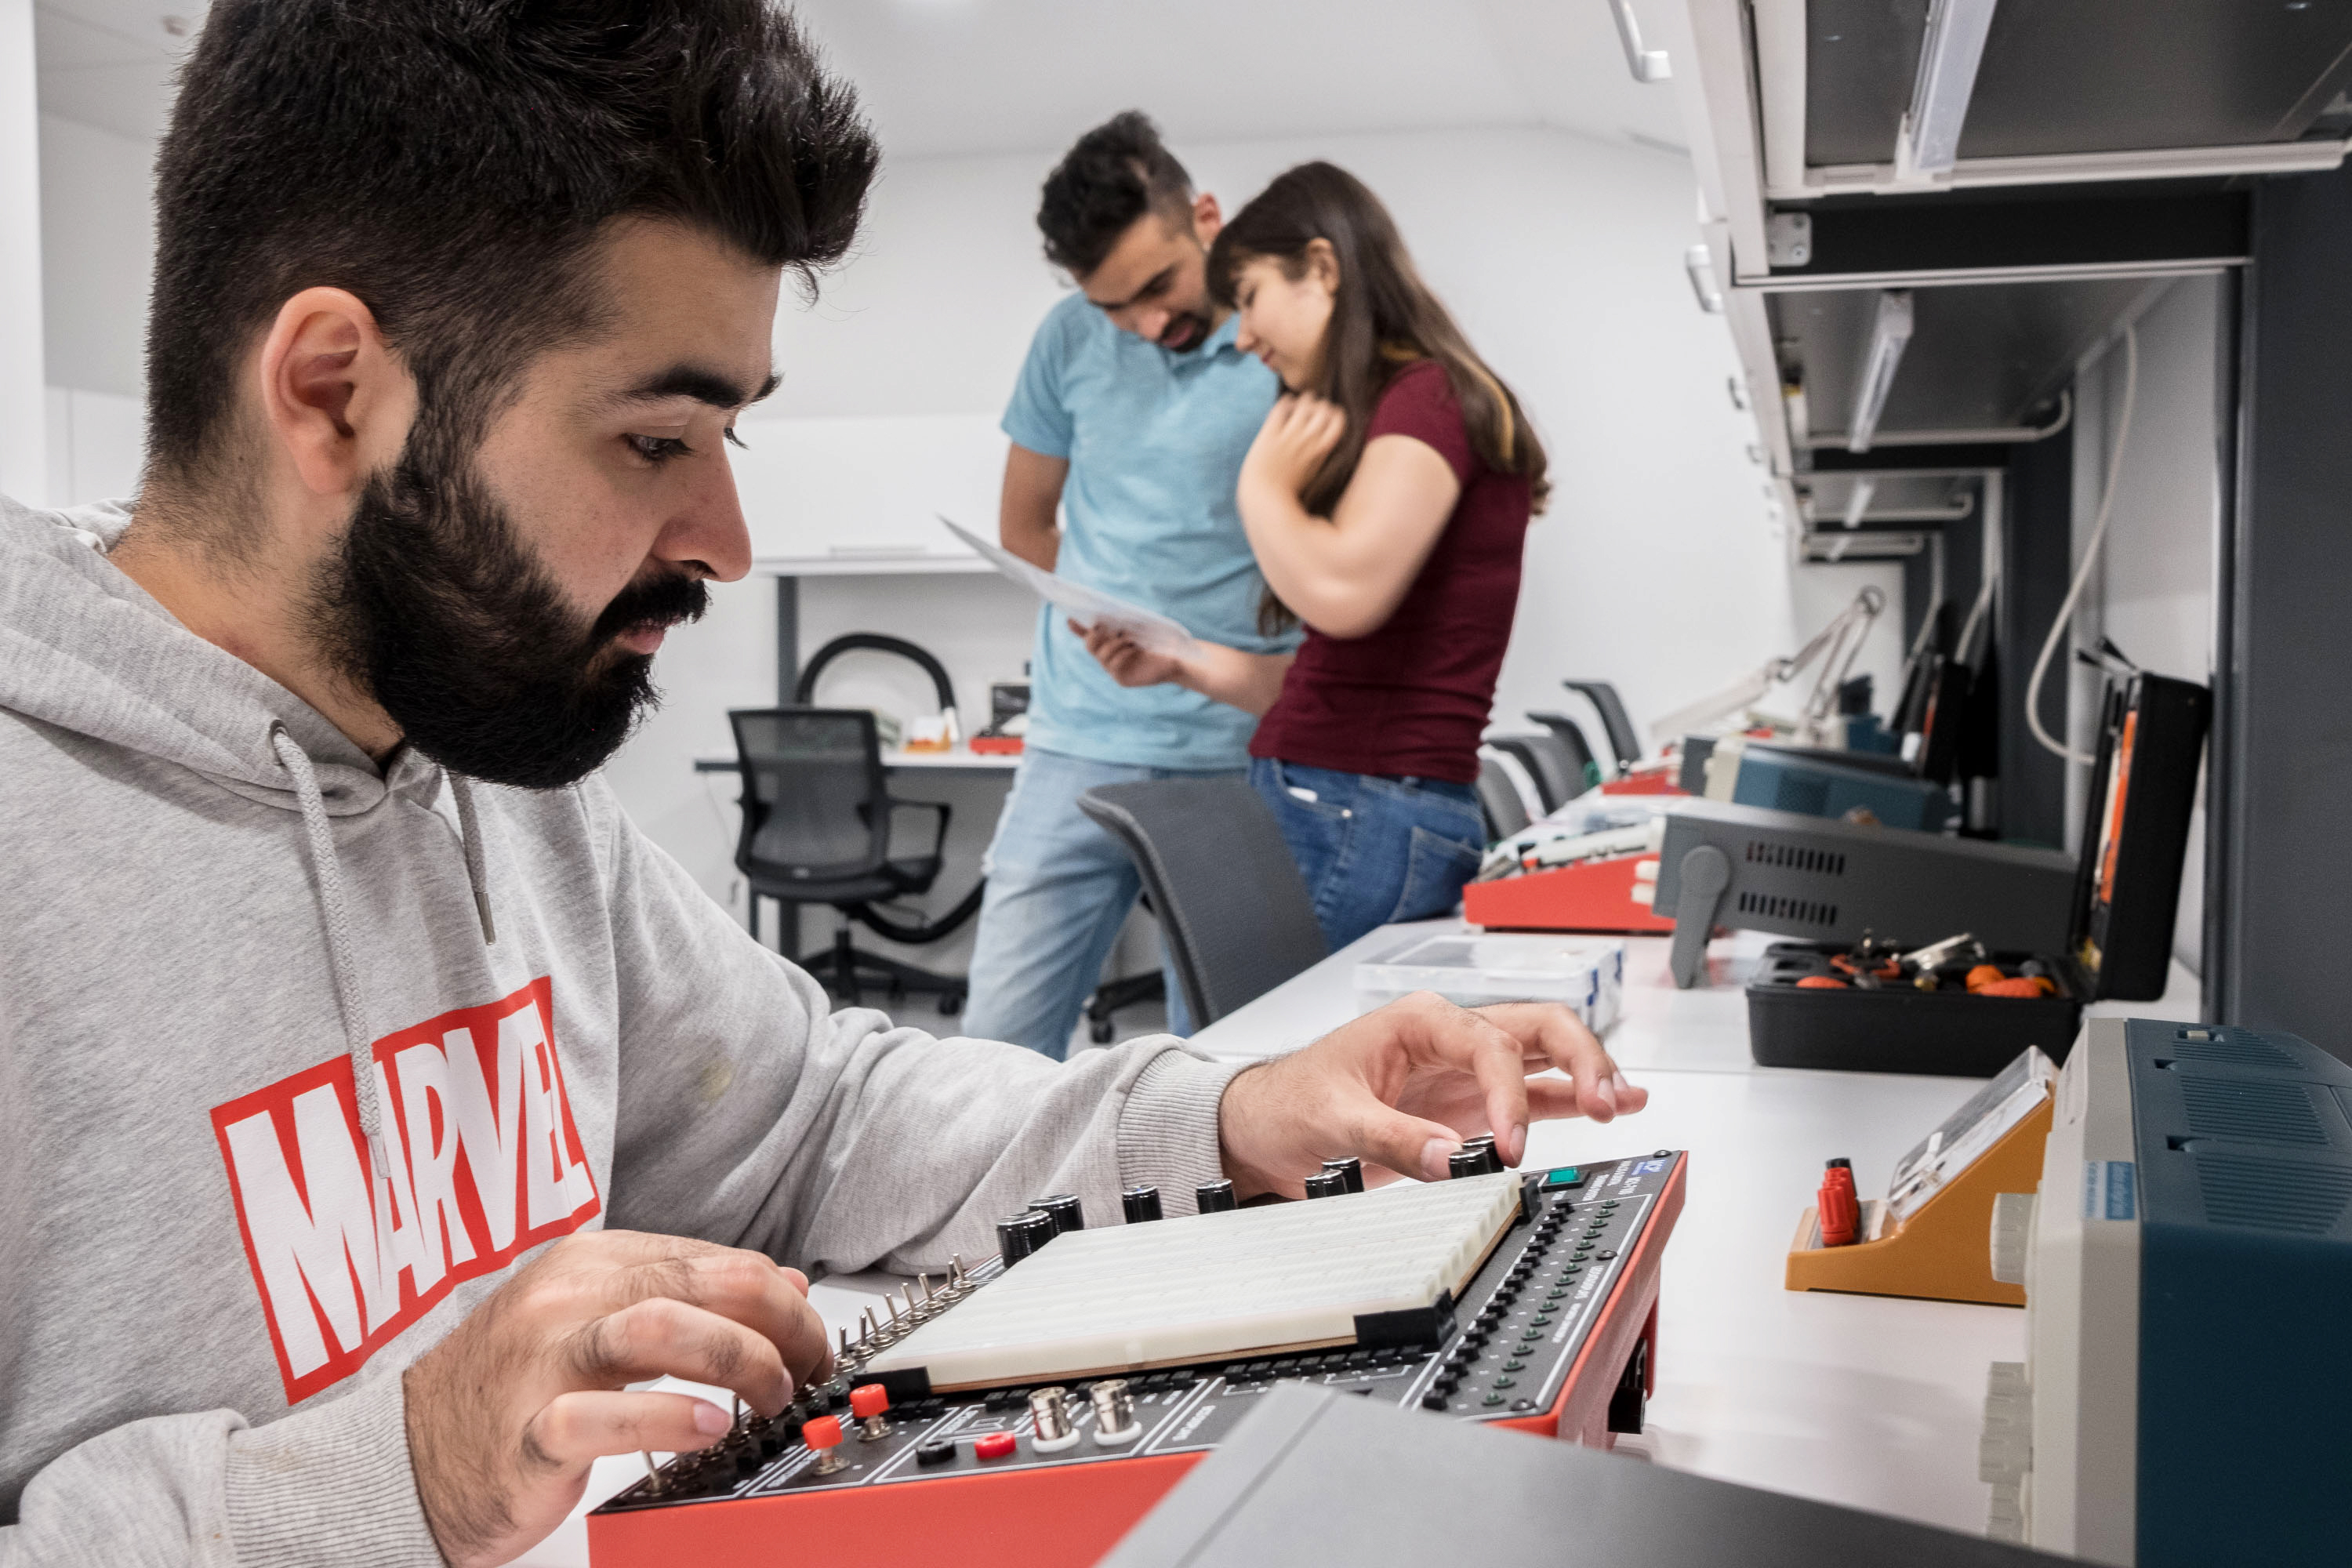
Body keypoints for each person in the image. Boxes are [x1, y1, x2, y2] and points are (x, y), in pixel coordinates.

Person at [0, 10, 1646, 1567]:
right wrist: (407, 1467)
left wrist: (1224, 1112)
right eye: (656, 440)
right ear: (333, 389)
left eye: (732, 443)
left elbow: (823, 1115)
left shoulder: (494, 766)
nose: (725, 542)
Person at [1078, 163, 1548, 951]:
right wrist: (1181, 660)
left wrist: (1261, 485)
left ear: (1324, 268)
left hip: (1352, 812)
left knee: (1244, 1064)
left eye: (1254, 297)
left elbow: (1343, 591)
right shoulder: (1415, 402)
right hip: (1347, 804)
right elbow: (1337, 685)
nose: (1246, 335)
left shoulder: (1427, 396)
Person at [960, 111, 1293, 1057]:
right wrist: (1084, 618)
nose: (1147, 323)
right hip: (1075, 745)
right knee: (991, 1054)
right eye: (1114, 305)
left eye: (1158, 284)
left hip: (1238, 753)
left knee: (1227, 1069)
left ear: (1209, 218)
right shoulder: (1066, 340)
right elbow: (1027, 522)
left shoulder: (1287, 346)